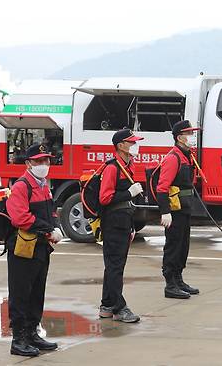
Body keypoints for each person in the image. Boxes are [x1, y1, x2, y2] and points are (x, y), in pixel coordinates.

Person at [6, 144, 61, 356]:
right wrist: (49, 229)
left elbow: (51, 210)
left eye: (46, 160)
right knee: (21, 294)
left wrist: (55, 225)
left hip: (40, 247)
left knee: (37, 292)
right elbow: (20, 217)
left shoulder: (43, 185)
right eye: (38, 161)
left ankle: (32, 334)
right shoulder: (22, 186)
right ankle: (18, 340)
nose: (44, 165)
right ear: (28, 163)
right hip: (23, 248)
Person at [99, 129, 144, 322]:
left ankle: (107, 305)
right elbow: (105, 198)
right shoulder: (112, 168)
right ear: (120, 146)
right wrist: (129, 193)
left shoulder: (128, 165)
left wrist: (132, 226)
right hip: (113, 223)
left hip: (124, 221)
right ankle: (119, 308)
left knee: (114, 266)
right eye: (131, 142)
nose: (135, 145)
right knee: (115, 266)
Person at [157, 120, 200, 298]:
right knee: (173, 246)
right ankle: (170, 285)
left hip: (185, 209)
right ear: (179, 137)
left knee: (183, 246)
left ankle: (178, 279)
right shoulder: (173, 158)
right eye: (189, 134)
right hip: (174, 212)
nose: (192, 137)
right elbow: (162, 187)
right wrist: (165, 212)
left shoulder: (187, 156)